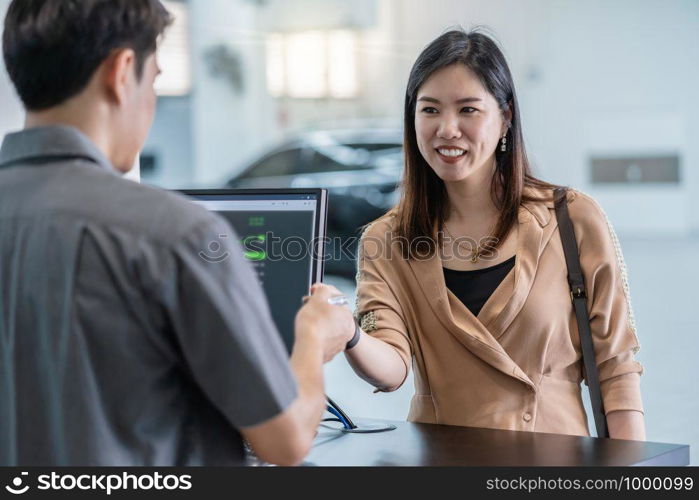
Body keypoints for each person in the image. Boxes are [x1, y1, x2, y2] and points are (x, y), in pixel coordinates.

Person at [0, 0, 354, 466]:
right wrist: (313, 338)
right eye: (156, 79)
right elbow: (284, 439)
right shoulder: (177, 234)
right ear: (123, 71)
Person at [344, 29, 646, 440]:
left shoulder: (572, 218)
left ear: (505, 117)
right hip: (441, 464)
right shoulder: (387, 239)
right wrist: (349, 334)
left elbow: (616, 368)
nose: (447, 129)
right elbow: (393, 366)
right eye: (429, 110)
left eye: (468, 110)